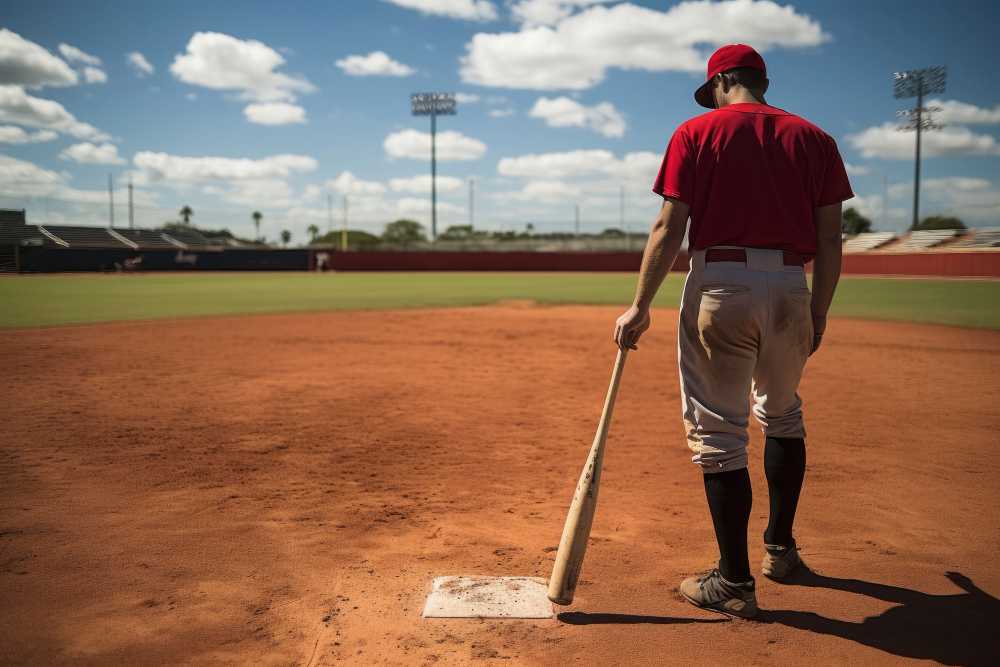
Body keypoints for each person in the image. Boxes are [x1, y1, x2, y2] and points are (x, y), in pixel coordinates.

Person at [613, 44, 853, 619]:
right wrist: (817, 312)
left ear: (723, 80)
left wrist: (640, 305)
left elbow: (671, 223)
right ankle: (782, 551)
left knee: (720, 435)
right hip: (793, 286)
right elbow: (830, 239)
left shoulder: (696, 132)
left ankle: (734, 582)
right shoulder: (816, 139)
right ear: (761, 82)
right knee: (783, 412)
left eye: (712, 90)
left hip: (720, 284)